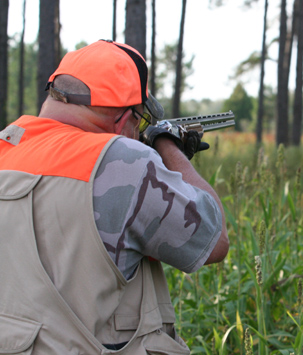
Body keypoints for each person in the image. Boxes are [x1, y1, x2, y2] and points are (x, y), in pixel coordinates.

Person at [0, 39, 228, 354]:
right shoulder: (122, 160)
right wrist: (166, 145)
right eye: (139, 121)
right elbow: (215, 241)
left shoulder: (5, 146)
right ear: (123, 119)